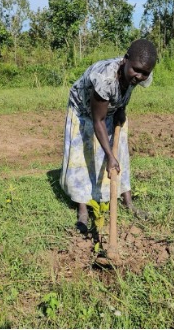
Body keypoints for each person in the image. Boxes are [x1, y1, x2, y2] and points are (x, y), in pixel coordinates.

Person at [60, 38, 158, 233]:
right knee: (84, 155)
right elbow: (98, 121)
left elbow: (124, 93)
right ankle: (82, 210)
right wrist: (109, 155)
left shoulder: (134, 75)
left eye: (144, 73)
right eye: (136, 70)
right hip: (85, 112)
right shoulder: (105, 78)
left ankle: (127, 201)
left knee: (120, 153)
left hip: (111, 110)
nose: (139, 76)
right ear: (125, 59)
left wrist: (121, 110)